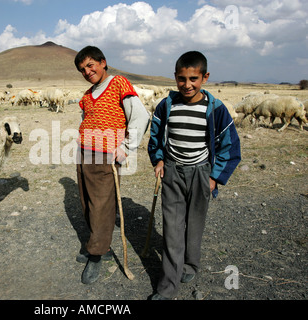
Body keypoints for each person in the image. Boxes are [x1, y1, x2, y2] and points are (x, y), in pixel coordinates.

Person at [147, 51, 241, 299]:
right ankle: (167, 287)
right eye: (181, 79)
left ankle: (190, 265)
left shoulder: (216, 109)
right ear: (175, 77)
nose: (187, 85)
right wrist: (158, 160)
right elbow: (155, 137)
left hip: (201, 173)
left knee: (195, 225)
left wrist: (214, 177)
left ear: (205, 77)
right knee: (172, 229)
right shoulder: (167, 105)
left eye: (193, 79)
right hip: (172, 172)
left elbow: (229, 146)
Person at [74, 46, 150, 284]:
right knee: (87, 202)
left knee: (102, 206)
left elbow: (140, 116)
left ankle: (96, 255)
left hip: (106, 156)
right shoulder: (87, 95)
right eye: (82, 69)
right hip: (85, 153)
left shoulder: (118, 83)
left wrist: (126, 148)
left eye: (90, 65)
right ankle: (101, 245)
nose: (87, 72)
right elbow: (87, 120)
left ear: (103, 62)